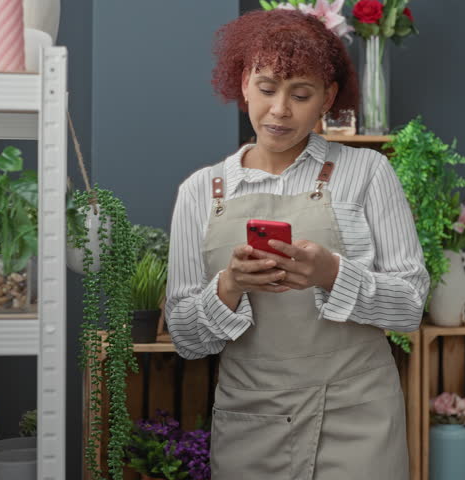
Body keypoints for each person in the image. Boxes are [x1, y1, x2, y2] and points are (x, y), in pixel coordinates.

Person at [165, 9, 429, 480]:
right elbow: (186, 338)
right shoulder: (200, 192)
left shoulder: (367, 173)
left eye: (301, 94)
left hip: (359, 419)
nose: (280, 110)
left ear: (327, 97)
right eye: (266, 88)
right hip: (251, 422)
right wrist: (228, 286)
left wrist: (333, 275)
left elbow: (410, 306)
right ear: (244, 82)